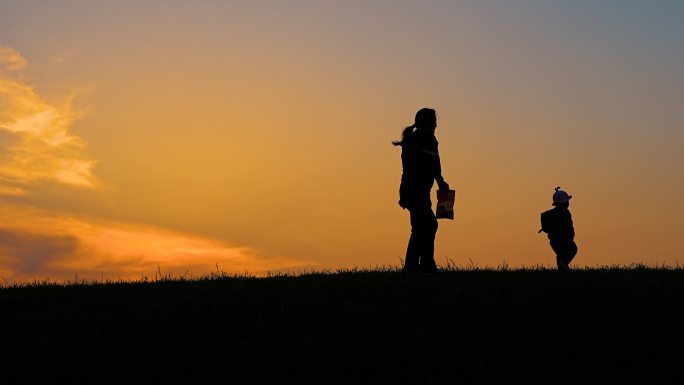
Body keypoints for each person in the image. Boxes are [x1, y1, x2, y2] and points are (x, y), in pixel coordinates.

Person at [393, 108, 450, 274]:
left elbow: (428, 164)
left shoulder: (413, 138)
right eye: (434, 121)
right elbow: (432, 163)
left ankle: (419, 265)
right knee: (428, 225)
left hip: (412, 190)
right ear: (427, 122)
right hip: (417, 191)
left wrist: (438, 181)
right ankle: (420, 265)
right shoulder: (427, 138)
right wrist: (440, 181)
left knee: (421, 226)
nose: (436, 125)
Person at [539, 187, 578, 271]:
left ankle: (562, 272)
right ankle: (564, 263)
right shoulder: (565, 213)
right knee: (573, 249)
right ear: (563, 203)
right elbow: (569, 226)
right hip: (565, 240)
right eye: (566, 201)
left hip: (554, 241)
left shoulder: (551, 214)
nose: (568, 203)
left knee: (560, 255)